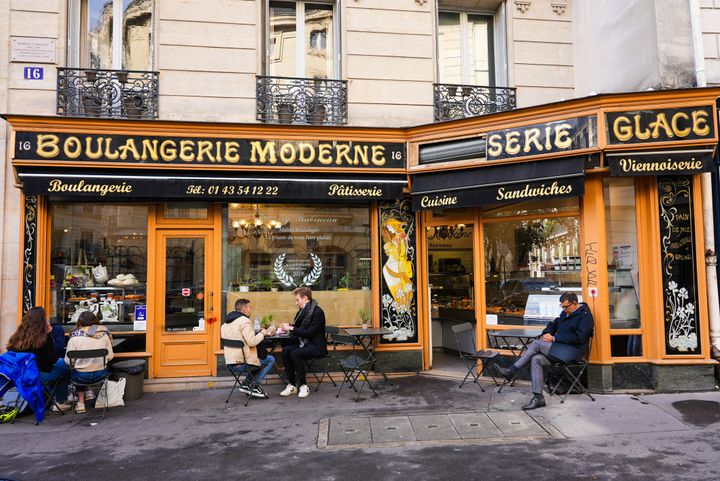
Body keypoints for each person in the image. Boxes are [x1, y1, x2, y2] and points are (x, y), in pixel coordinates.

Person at [497, 292, 594, 410]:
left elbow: (580, 338)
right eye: (562, 306)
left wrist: (554, 338)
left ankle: (511, 370)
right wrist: (547, 333)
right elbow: (553, 324)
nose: (564, 309)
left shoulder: (585, 316)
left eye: (565, 307)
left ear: (574, 303)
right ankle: (538, 398)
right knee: (536, 359)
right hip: (559, 350)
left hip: (573, 352)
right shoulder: (566, 312)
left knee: (537, 344)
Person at [6, 306, 72, 412]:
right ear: (42, 321)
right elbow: (51, 360)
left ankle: (51, 397)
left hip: (21, 375)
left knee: (62, 365)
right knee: (67, 367)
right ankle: (60, 401)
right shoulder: (43, 338)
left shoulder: (16, 337)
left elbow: (10, 352)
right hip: (39, 374)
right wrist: (49, 333)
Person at [221, 298, 274, 398]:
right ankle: (255, 385)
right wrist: (262, 333)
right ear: (244, 309)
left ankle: (246, 384)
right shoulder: (245, 321)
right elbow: (252, 342)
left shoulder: (225, 324)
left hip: (230, 363)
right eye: (250, 308)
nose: (251, 310)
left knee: (256, 359)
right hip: (243, 363)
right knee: (270, 359)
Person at [279, 287, 327, 399]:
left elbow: (310, 333)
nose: (296, 303)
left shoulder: (317, 312)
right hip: (304, 344)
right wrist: (289, 325)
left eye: (297, 300)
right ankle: (292, 385)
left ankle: (303, 385)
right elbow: (299, 327)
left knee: (295, 353)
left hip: (315, 346)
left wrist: (291, 328)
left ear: (305, 298)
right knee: (286, 351)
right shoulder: (303, 311)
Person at [64, 311, 114, 413]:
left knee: (78, 370)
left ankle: (81, 403)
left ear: (80, 322)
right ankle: (89, 392)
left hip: (80, 377)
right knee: (86, 369)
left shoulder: (74, 338)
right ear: (95, 321)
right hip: (100, 375)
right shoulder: (104, 335)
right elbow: (110, 356)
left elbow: (68, 362)